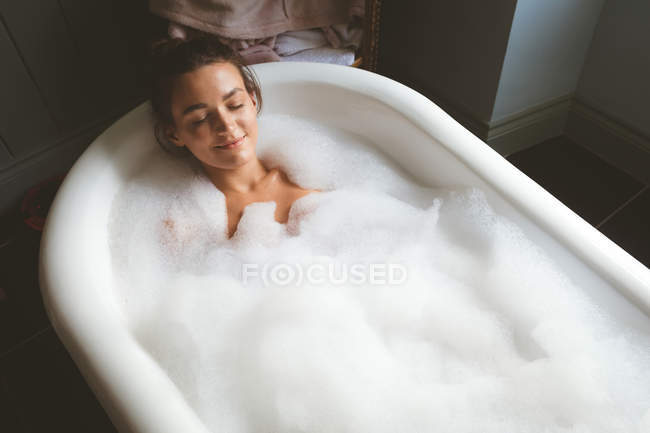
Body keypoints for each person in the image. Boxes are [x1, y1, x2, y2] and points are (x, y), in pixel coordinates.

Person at [149, 34, 318, 238]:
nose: (226, 125)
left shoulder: (317, 179)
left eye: (235, 105)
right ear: (174, 134)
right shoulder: (187, 229)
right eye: (201, 118)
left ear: (252, 101)